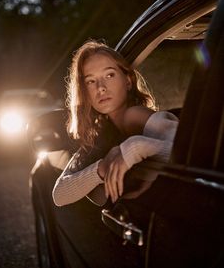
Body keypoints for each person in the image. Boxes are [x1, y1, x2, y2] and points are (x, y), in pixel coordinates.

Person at [52, 40, 178, 206]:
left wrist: (135, 147)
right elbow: (59, 195)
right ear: (84, 92)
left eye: (109, 75)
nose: (101, 88)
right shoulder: (102, 132)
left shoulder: (134, 115)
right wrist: (102, 168)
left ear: (128, 81)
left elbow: (189, 150)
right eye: (90, 81)